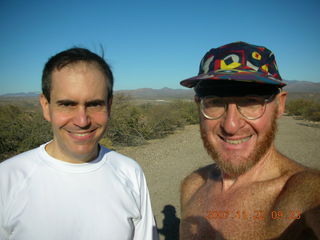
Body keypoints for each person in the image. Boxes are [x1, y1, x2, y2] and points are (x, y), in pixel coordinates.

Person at [0, 47, 158, 240]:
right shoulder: (7, 179)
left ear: (109, 106)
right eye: (67, 104)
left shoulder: (129, 172)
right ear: (46, 106)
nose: (82, 121)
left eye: (94, 104)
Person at [179, 42, 320, 239]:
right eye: (215, 102)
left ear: (280, 105)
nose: (231, 126)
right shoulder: (192, 186)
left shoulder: (307, 194)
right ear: (198, 106)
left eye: (251, 101)